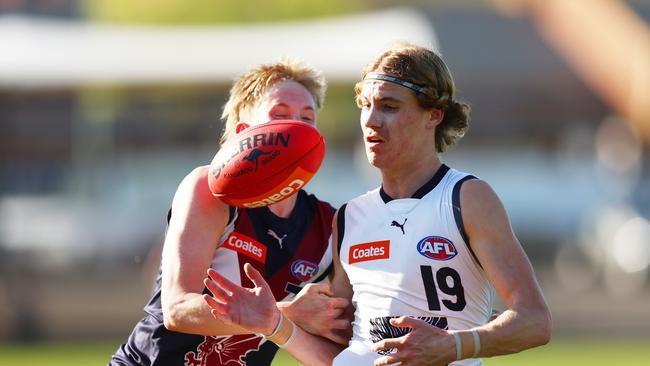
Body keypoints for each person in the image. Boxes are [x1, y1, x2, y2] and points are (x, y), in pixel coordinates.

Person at [202, 43, 552, 366]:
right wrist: (275, 324)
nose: (370, 120)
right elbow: (339, 348)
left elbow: (535, 321)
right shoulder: (350, 216)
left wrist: (454, 345)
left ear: (434, 115)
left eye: (389, 107)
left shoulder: (466, 198)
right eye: (365, 106)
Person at [110, 58, 350, 366]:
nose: (296, 128)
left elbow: (338, 350)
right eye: (280, 115)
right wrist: (288, 313)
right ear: (244, 133)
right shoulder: (209, 192)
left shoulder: (332, 225)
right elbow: (178, 309)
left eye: (307, 118)